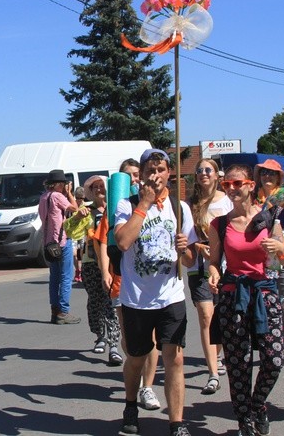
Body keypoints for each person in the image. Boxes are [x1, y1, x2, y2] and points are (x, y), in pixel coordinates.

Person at [115, 149, 197, 436]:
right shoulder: (127, 205)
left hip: (171, 296)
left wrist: (185, 250)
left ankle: (177, 422)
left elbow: (190, 261)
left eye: (160, 169)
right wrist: (145, 204)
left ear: (168, 174)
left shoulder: (180, 207)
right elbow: (124, 242)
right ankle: (130, 405)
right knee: (137, 357)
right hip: (137, 298)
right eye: (150, 169)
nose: (155, 175)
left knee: (174, 358)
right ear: (142, 174)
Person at [208, 163, 284, 436]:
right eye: (227, 185)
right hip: (234, 297)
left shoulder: (269, 219)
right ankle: (244, 420)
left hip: (265, 295)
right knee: (238, 363)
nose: (232, 189)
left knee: (274, 359)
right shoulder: (219, 224)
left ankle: (258, 405)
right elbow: (213, 261)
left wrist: (279, 247)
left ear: (250, 185)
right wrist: (213, 274)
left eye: (237, 184)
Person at [118, 157, 162, 411]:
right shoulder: (122, 204)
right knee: (133, 345)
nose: (136, 180)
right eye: (130, 176)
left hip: (155, 288)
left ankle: (148, 386)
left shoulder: (165, 205)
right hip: (124, 281)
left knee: (154, 341)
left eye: (138, 174)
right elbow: (112, 242)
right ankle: (134, 382)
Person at [186, 158, 232, 395]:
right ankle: (213, 373)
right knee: (206, 315)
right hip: (198, 267)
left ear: (216, 175)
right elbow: (183, 234)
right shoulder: (190, 204)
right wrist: (196, 246)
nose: (203, 173)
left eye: (208, 170)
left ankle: (219, 355)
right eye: (200, 170)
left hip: (225, 267)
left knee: (221, 316)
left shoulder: (226, 202)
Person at [253, 158, 284, 362]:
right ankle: (272, 342)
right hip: (262, 255)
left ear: (279, 177)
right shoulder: (253, 198)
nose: (267, 176)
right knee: (266, 304)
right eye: (264, 172)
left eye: (272, 173)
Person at [81, 175, 122, 365]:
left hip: (112, 262)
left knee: (112, 303)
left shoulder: (117, 208)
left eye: (101, 186)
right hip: (90, 262)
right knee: (95, 301)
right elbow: (70, 231)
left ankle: (114, 344)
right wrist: (77, 219)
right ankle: (100, 336)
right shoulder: (86, 211)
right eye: (95, 187)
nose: (99, 189)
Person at [39, 169, 86, 324]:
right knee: (66, 277)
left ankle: (55, 310)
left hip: (48, 243)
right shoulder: (58, 196)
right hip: (61, 242)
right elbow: (75, 208)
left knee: (54, 278)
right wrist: (70, 193)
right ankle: (63, 312)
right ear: (59, 184)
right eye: (63, 184)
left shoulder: (43, 197)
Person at [72, 186, 86, 283]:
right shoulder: (72, 206)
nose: (79, 200)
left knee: (81, 254)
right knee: (74, 254)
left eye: (81, 198)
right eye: (77, 198)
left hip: (82, 233)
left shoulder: (85, 207)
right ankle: (77, 271)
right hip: (73, 233)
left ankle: (80, 272)